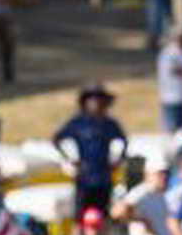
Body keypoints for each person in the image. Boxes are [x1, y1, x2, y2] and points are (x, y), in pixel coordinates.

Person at [53, 84, 128, 218]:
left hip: (104, 175)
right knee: (81, 213)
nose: (96, 103)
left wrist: (117, 160)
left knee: (103, 213)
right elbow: (57, 139)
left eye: (100, 99)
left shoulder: (109, 124)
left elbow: (123, 141)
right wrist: (70, 159)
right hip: (85, 175)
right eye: (92, 99)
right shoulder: (78, 123)